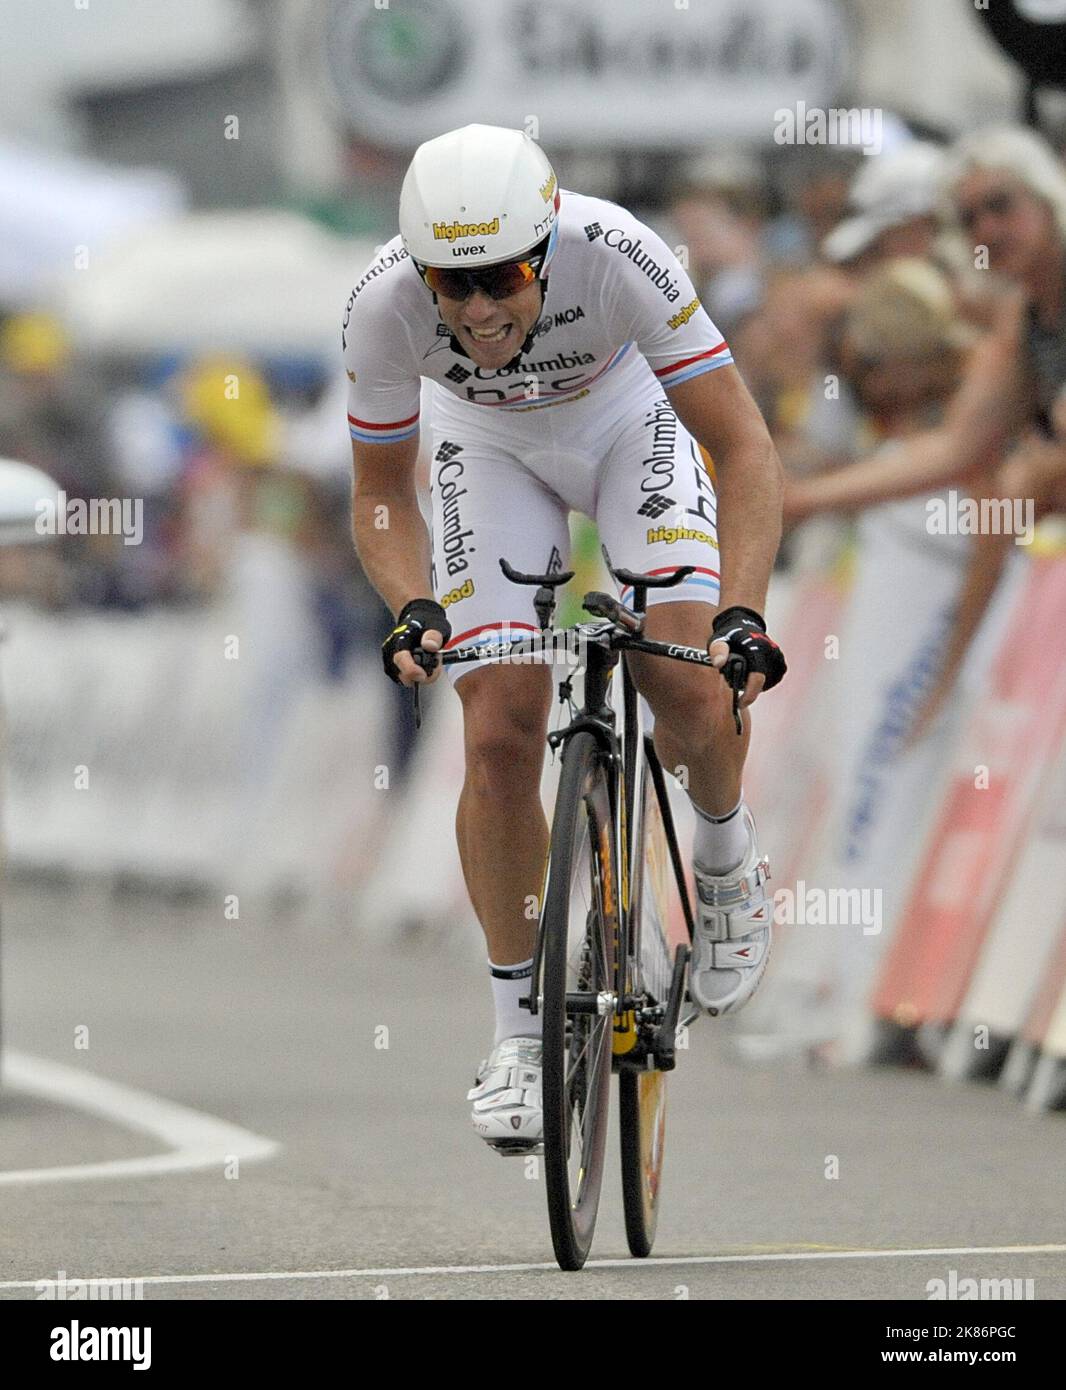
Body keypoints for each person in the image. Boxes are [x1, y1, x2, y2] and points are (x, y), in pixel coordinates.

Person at [343, 125, 786, 1152]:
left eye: (499, 277)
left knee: (679, 675)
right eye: (451, 286)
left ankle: (721, 858)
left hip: (629, 420)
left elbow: (744, 445)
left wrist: (743, 613)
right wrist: (413, 605)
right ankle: (519, 1035)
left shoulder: (620, 250)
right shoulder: (381, 304)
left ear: (543, 249)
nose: (478, 309)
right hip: (485, 446)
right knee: (496, 725)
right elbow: (377, 496)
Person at [785, 126, 1066, 523]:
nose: (986, 231)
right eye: (969, 220)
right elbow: (955, 448)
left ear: (1046, 199)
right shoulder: (1024, 317)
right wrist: (800, 500)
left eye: (1001, 205)